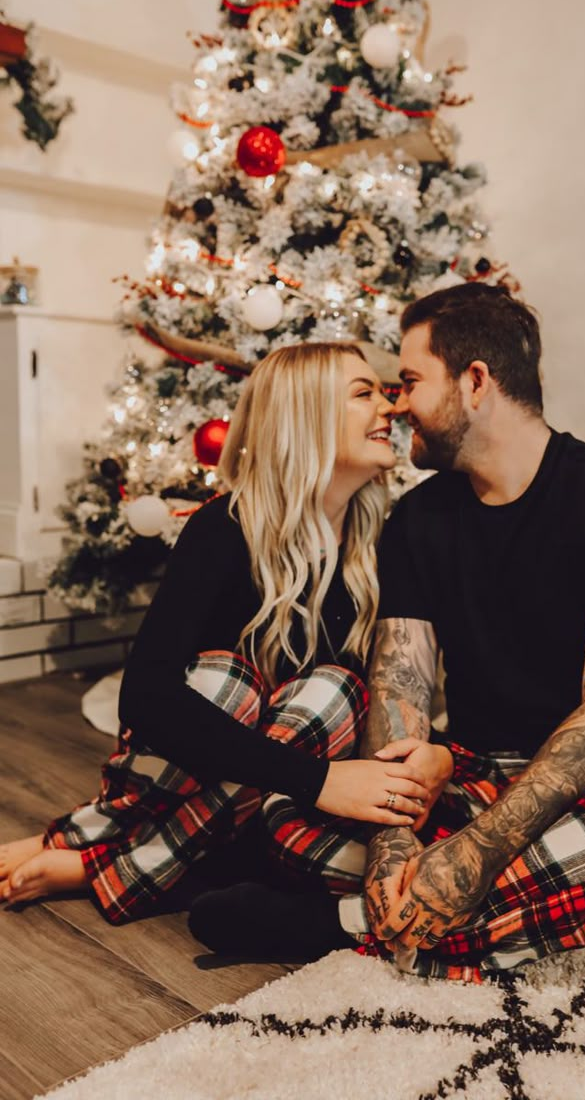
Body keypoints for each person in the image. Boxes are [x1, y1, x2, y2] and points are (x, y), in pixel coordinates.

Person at [189, 284, 585, 998]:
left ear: (475, 382)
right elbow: (400, 689)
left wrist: (474, 853)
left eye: (410, 381)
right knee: (287, 820)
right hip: (470, 772)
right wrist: (396, 841)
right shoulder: (417, 519)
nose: (397, 403)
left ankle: (337, 925)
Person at [0, 341, 451, 926]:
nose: (388, 407)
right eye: (363, 394)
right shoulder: (224, 528)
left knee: (335, 694)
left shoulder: (383, 545)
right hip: (221, 777)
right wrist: (317, 780)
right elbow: (147, 698)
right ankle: (106, 844)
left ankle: (100, 861)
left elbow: (394, 690)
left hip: (282, 805)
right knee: (226, 683)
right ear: (305, 414)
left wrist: (432, 750)